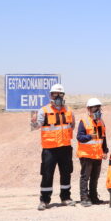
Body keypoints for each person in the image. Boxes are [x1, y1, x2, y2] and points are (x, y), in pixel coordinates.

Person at [34, 83, 76, 211]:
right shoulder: (44, 110)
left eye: (60, 94)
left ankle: (65, 198)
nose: (57, 96)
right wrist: (34, 121)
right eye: (55, 94)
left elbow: (72, 126)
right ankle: (45, 200)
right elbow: (36, 126)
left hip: (65, 148)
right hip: (49, 149)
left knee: (66, 173)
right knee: (47, 174)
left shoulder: (69, 111)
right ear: (50, 95)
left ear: (63, 95)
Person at [76, 98, 108, 207]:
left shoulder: (101, 122)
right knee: (85, 177)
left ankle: (94, 197)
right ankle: (84, 198)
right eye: (95, 108)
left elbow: (103, 137)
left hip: (97, 154)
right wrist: (90, 136)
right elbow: (79, 137)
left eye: (99, 108)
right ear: (89, 109)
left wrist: (105, 150)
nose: (97, 110)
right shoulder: (84, 121)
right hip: (86, 155)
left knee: (95, 177)